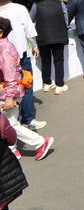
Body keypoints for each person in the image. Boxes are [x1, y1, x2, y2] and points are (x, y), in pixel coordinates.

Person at [0, 17, 54, 161]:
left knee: (10, 124)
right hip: (8, 91)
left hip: (8, 92)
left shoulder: (4, 51)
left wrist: (9, 97)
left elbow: (10, 76)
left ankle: (40, 142)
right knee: (9, 122)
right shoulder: (4, 47)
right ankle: (13, 150)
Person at [0, 0, 44, 131]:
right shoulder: (19, 9)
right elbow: (29, 31)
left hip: (1, 58)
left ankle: (9, 122)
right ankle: (28, 119)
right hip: (19, 54)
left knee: (4, 88)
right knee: (25, 86)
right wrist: (35, 46)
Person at [28, 0, 69, 95]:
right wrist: (65, 27)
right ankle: (60, 85)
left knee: (45, 61)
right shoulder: (59, 3)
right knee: (59, 60)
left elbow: (30, 19)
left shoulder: (36, 5)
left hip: (43, 37)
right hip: (59, 36)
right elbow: (66, 18)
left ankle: (47, 83)